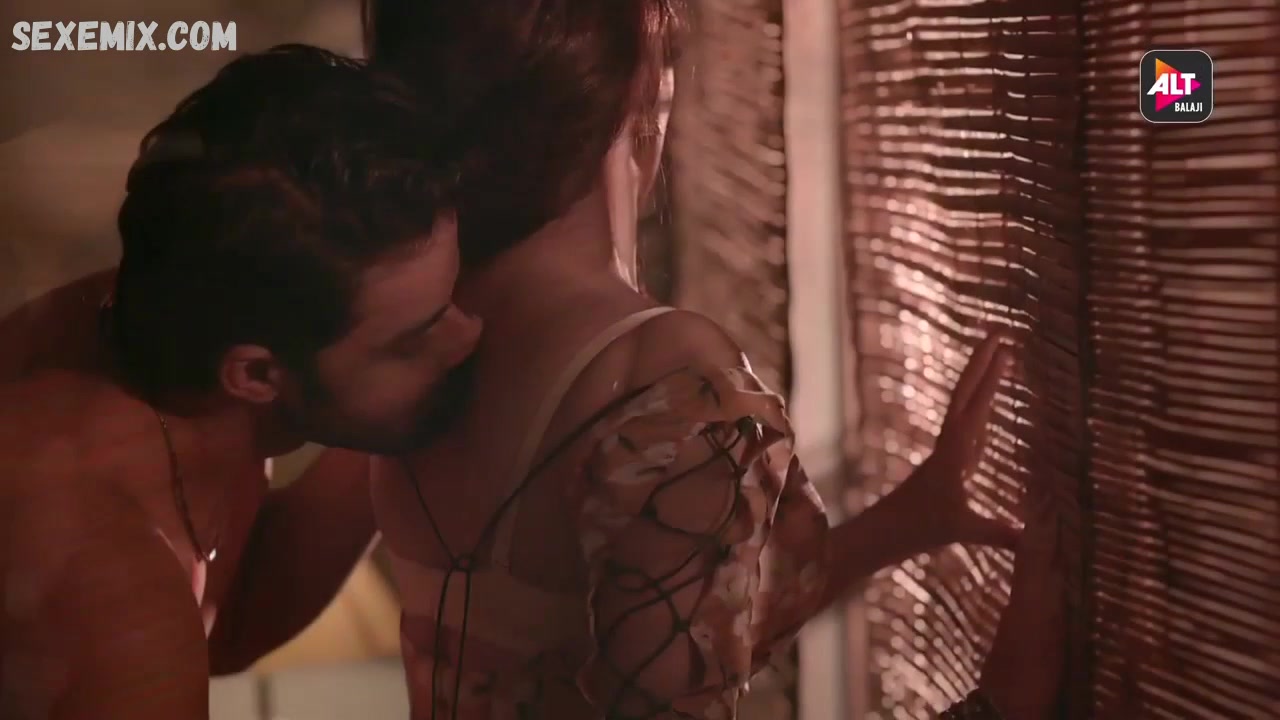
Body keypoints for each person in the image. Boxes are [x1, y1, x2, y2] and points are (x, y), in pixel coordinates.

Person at [212, 2, 1067, 719]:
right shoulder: (669, 387)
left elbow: (649, 621)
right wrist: (1000, 705)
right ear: (641, 84)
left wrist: (904, 523)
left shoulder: (426, 348)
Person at [0, 44, 481, 720]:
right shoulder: (107, 592)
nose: (470, 333)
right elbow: (158, 638)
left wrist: (405, 413)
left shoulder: (180, 324)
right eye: (414, 338)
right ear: (254, 374)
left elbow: (221, 627)